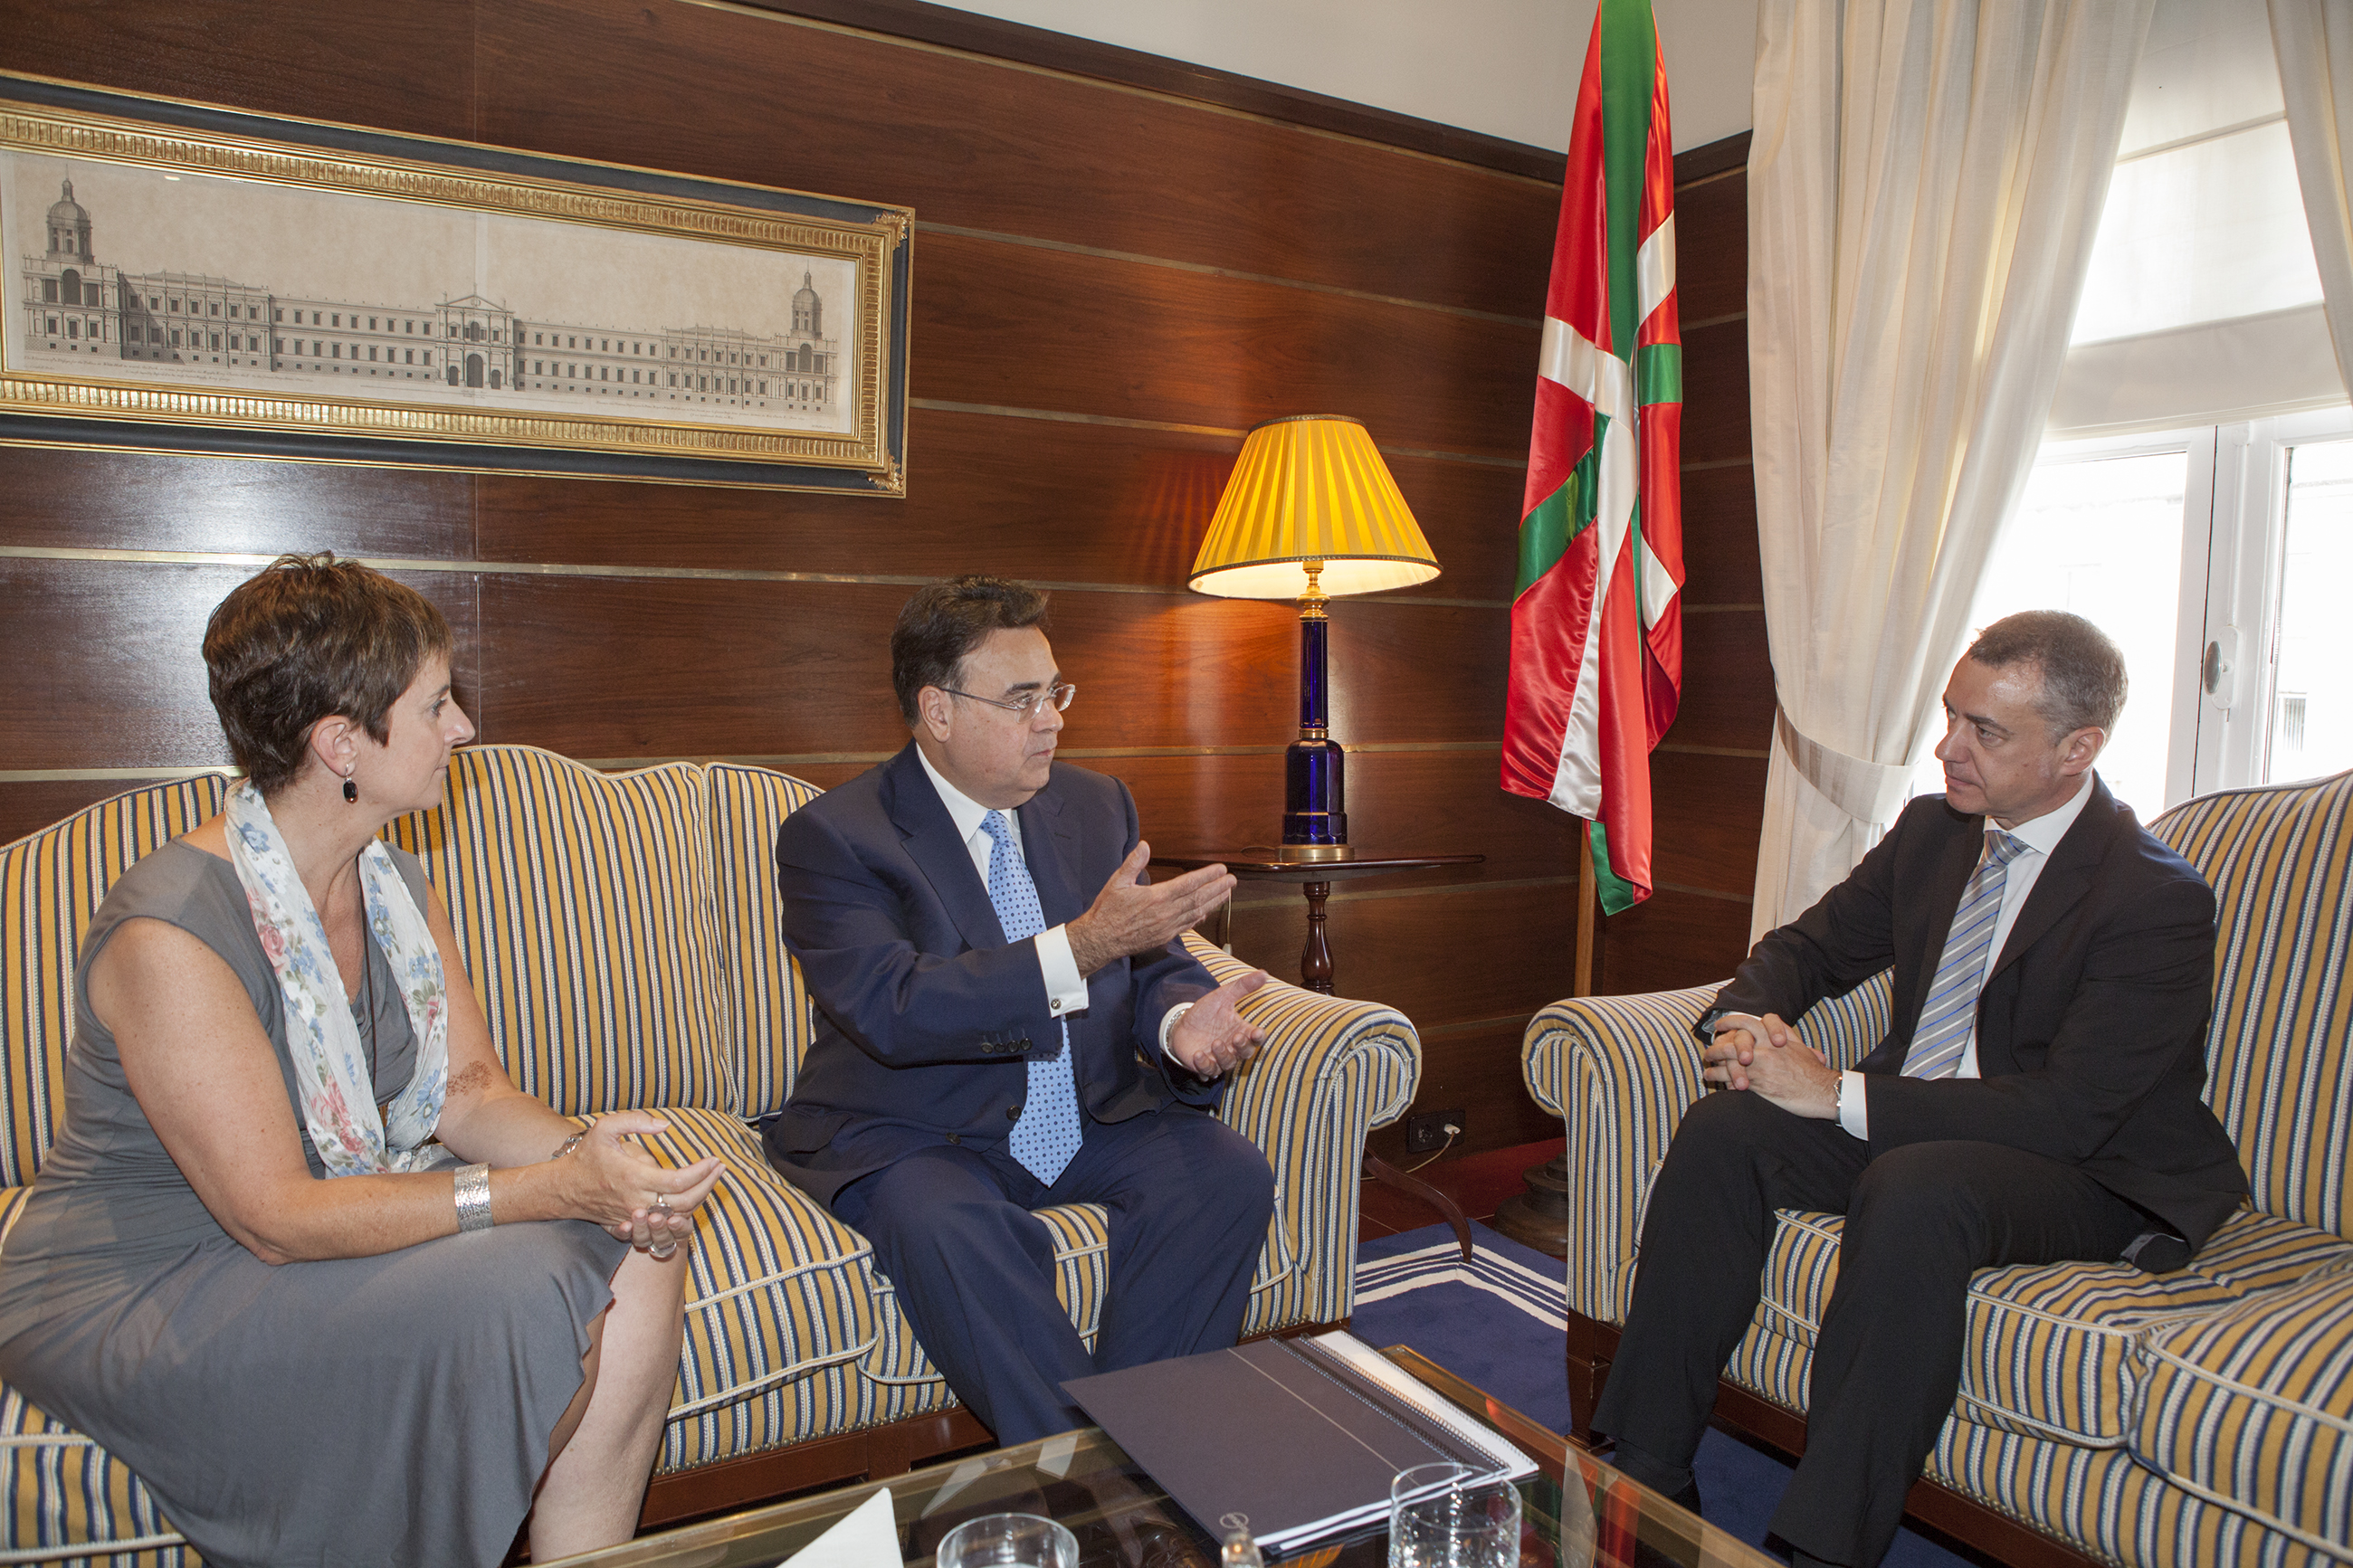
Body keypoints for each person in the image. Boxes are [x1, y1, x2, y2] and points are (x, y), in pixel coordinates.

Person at [0, 555, 725, 1568]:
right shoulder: (170, 932)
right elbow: (276, 1215)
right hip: (152, 1277)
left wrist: (596, 1163)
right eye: (436, 704)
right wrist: (544, 1189)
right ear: (341, 741)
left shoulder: (391, 881)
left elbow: (467, 1093)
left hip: (304, 1215)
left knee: (640, 1246)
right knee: (527, 1280)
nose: (464, 727)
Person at [1591, 611, 2246, 1568]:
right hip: (1922, 1117)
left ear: (2077, 749)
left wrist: (1834, 1092)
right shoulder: (1934, 830)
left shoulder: (2153, 897)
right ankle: (1644, 1476)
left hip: (2085, 1167)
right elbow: (1807, 947)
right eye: (1950, 715)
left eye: (1983, 730)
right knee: (1726, 1127)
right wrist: (1743, 1020)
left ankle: (1822, 1544)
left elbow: (2069, 1110)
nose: (1945, 746)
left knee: (1916, 1187)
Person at [760, 575, 1278, 1445]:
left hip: (1089, 1112)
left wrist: (1179, 1023)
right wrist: (1077, 946)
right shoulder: (839, 836)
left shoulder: (1094, 803)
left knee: (1225, 1174)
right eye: (1023, 698)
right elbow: (894, 1005)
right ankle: (1107, 1488)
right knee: (948, 1229)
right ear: (937, 710)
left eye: (1056, 691)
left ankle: (1135, 1464)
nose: (1053, 719)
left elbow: (1151, 957)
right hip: (918, 1127)